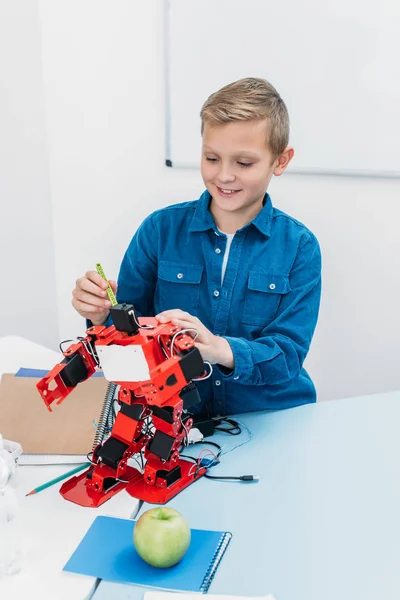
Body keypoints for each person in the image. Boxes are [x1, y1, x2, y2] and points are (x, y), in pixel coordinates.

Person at [72, 77, 321, 416]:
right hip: (178, 422)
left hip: (272, 415)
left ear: (280, 161)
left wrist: (219, 349)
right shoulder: (160, 230)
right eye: (212, 158)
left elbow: (287, 354)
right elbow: (128, 339)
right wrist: (101, 315)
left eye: (243, 163)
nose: (224, 176)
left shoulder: (300, 247)